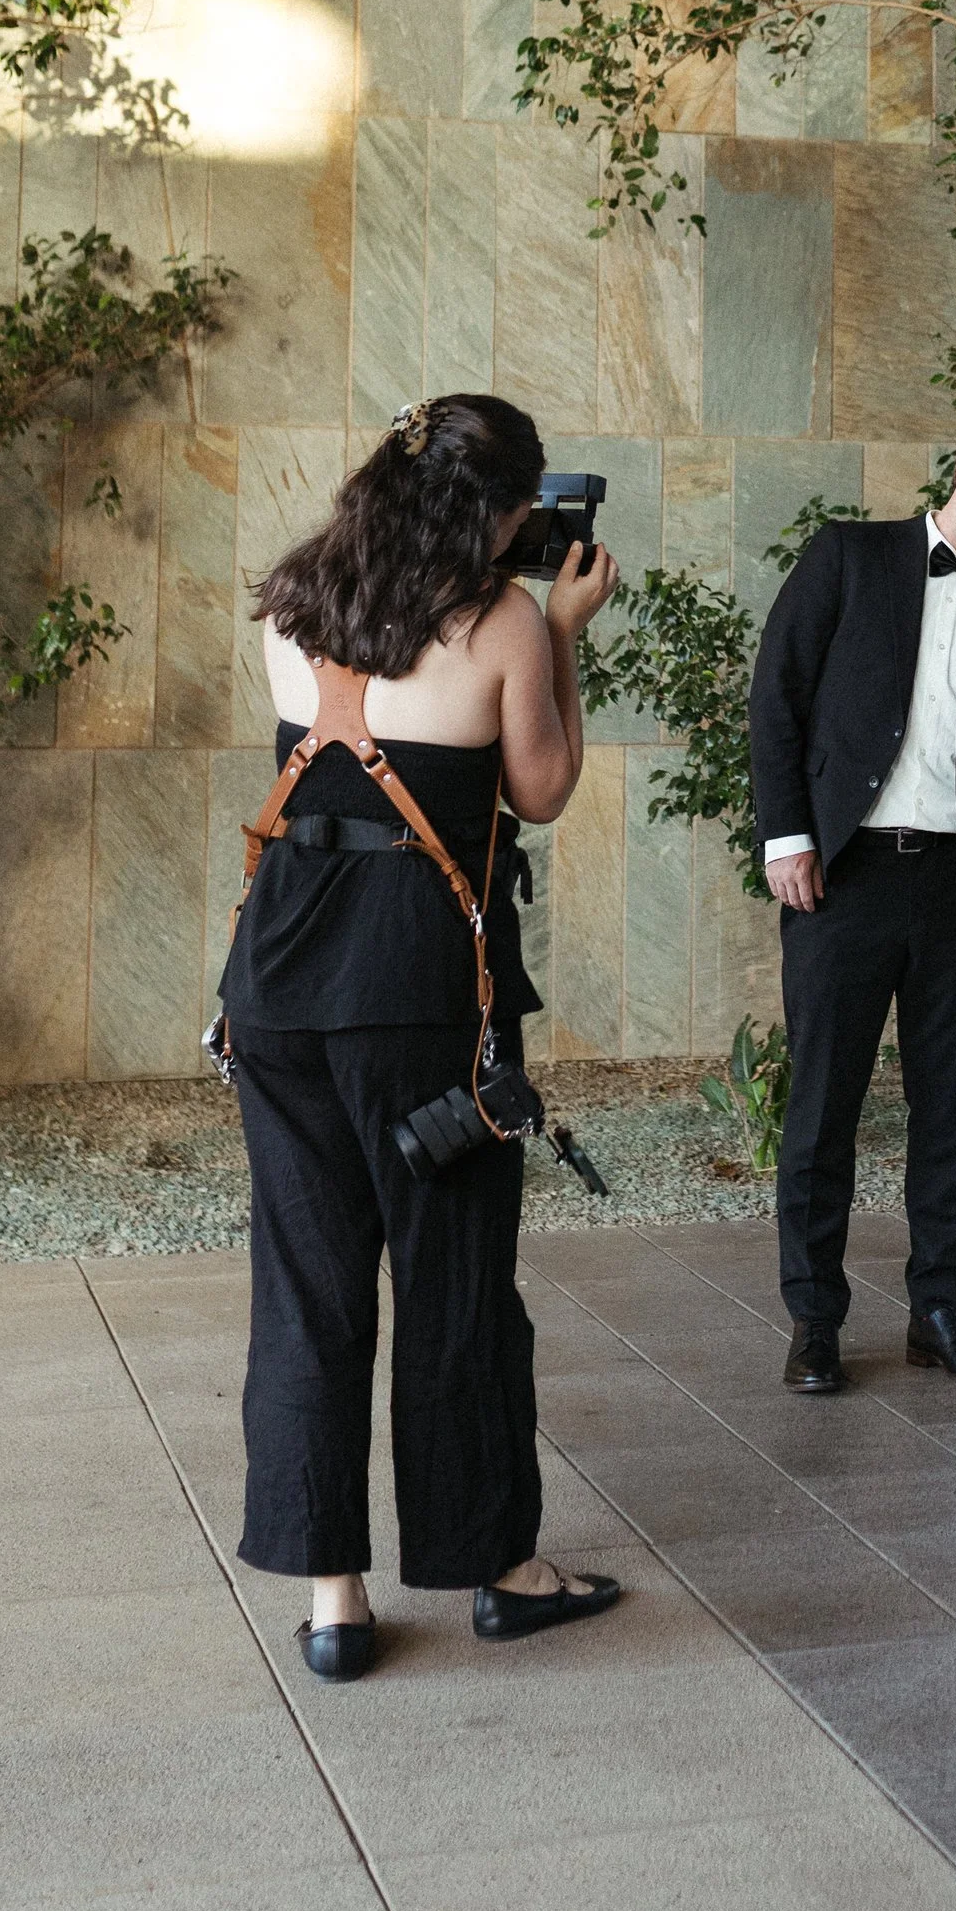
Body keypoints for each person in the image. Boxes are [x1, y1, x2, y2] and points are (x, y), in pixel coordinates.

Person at [221, 393, 624, 1676]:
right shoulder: (502, 618)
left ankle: (334, 1604)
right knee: (451, 1291)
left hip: (277, 991)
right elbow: (541, 790)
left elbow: (330, 760)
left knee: (308, 1291)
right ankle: (500, 1568)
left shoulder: (292, 600)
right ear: (500, 512)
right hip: (418, 1001)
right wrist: (560, 633)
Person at [747, 414, 956, 1394]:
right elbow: (776, 695)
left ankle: (937, 1312)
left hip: (954, 888)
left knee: (950, 1113)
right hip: (841, 878)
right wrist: (787, 834)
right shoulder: (849, 554)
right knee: (822, 1106)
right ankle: (814, 1321)